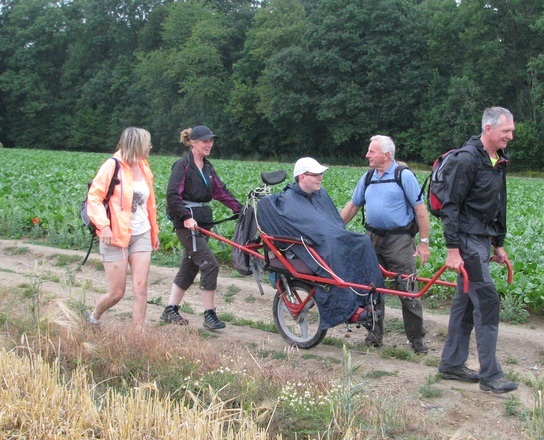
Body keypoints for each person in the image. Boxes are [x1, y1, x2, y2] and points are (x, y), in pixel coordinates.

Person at [437, 106, 518, 394]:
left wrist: (499, 243)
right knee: (486, 301)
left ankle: (451, 364)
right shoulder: (467, 159)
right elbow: (450, 206)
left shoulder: (498, 159)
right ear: (488, 129)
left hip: (483, 239)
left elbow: (499, 203)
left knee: (467, 303)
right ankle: (491, 375)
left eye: (511, 131)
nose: (510, 135)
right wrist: (452, 249)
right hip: (466, 241)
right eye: (506, 131)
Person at [257, 157, 384, 330]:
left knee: (362, 242)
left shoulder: (320, 194)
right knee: (332, 252)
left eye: (321, 174)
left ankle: (368, 297)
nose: (320, 178)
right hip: (313, 245)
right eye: (315, 174)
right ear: (302, 177)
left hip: (331, 237)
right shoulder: (286, 201)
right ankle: (347, 308)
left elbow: (334, 222)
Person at [341, 135, 431, 353]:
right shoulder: (368, 177)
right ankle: (374, 335)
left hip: (399, 242)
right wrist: (334, 228)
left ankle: (416, 339)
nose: (367, 155)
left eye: (372, 151)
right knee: (371, 288)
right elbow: (353, 206)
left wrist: (424, 243)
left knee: (407, 289)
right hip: (372, 239)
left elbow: (421, 210)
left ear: (386, 155)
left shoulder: (404, 176)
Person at [161, 126, 243, 330]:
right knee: (209, 264)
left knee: (190, 266)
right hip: (187, 224)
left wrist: (240, 209)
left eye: (211, 141)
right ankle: (209, 314)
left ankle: (170, 310)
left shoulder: (207, 167)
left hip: (203, 221)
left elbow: (220, 191)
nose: (209, 144)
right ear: (193, 142)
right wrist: (186, 217)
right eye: (205, 141)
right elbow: (172, 195)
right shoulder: (183, 165)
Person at [85, 127, 160, 334]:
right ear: (137, 145)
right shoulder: (112, 166)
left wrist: (154, 232)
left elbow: (149, 203)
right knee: (117, 293)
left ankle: (138, 334)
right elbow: (94, 198)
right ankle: (94, 316)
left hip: (141, 233)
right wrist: (104, 226)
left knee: (141, 287)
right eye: (148, 144)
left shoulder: (144, 166)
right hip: (115, 236)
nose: (151, 147)